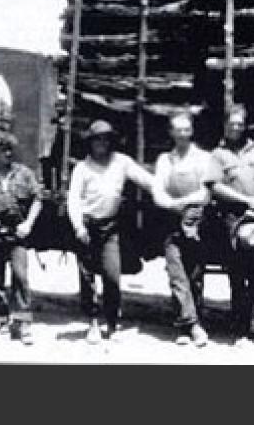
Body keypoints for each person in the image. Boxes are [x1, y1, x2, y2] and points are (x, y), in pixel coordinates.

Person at [67, 120, 154, 344]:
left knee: (112, 276)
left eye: (106, 139)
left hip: (110, 227)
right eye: (97, 139)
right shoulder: (82, 168)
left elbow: (145, 180)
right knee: (87, 278)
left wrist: (166, 190)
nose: (102, 143)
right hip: (87, 227)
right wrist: (78, 227)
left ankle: (113, 324)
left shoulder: (121, 162)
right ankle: (93, 323)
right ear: (91, 143)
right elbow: (73, 200)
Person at [204, 105, 254, 346]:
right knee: (237, 275)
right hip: (232, 219)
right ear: (225, 125)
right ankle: (240, 330)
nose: (236, 127)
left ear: (245, 125)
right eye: (231, 123)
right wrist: (245, 200)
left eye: (240, 123)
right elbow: (214, 185)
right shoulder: (219, 155)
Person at [0, 131, 42, 345]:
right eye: (3, 150)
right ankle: (2, 320)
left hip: (17, 234)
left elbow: (37, 199)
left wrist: (28, 224)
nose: (9, 154)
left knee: (20, 276)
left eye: (10, 149)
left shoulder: (24, 174)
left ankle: (24, 323)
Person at [152, 110, 211, 347]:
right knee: (177, 274)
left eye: (186, 130)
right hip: (171, 221)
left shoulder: (203, 158)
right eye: (178, 130)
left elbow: (206, 191)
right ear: (171, 133)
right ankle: (193, 326)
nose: (182, 135)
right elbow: (158, 191)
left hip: (197, 221)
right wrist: (172, 205)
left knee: (194, 275)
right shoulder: (165, 160)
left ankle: (185, 325)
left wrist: (186, 205)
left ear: (192, 131)